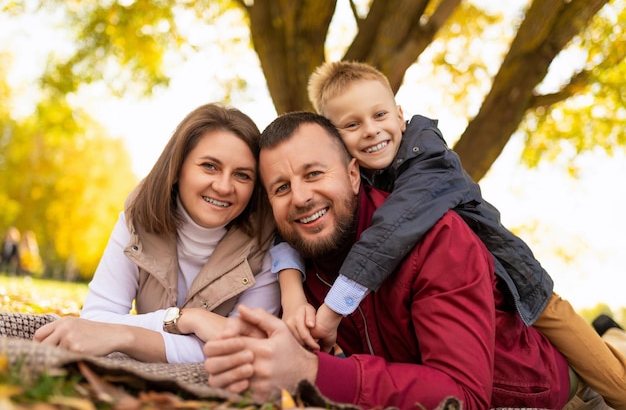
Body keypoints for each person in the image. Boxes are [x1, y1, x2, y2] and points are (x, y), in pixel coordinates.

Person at [271, 61, 626, 408]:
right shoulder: (354, 185)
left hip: (522, 283)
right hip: (490, 308)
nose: (370, 130)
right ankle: (612, 335)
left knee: (613, 381)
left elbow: (390, 232)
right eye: (352, 124)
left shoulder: (427, 160)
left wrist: (333, 310)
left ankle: (611, 341)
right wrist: (291, 291)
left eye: (379, 116)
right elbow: (278, 228)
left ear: (399, 114)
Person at [203, 111, 605, 409]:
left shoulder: (437, 238)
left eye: (314, 174)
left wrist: (313, 371)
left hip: (535, 389)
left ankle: (610, 339)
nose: (301, 196)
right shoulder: (299, 262)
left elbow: (464, 397)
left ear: (354, 174)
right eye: (281, 187)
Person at [33, 103, 280, 363]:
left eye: (242, 175)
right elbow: (95, 321)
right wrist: (186, 319)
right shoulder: (137, 220)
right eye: (209, 166)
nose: (223, 186)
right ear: (178, 168)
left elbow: (245, 350)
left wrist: (126, 336)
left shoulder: (265, 246)